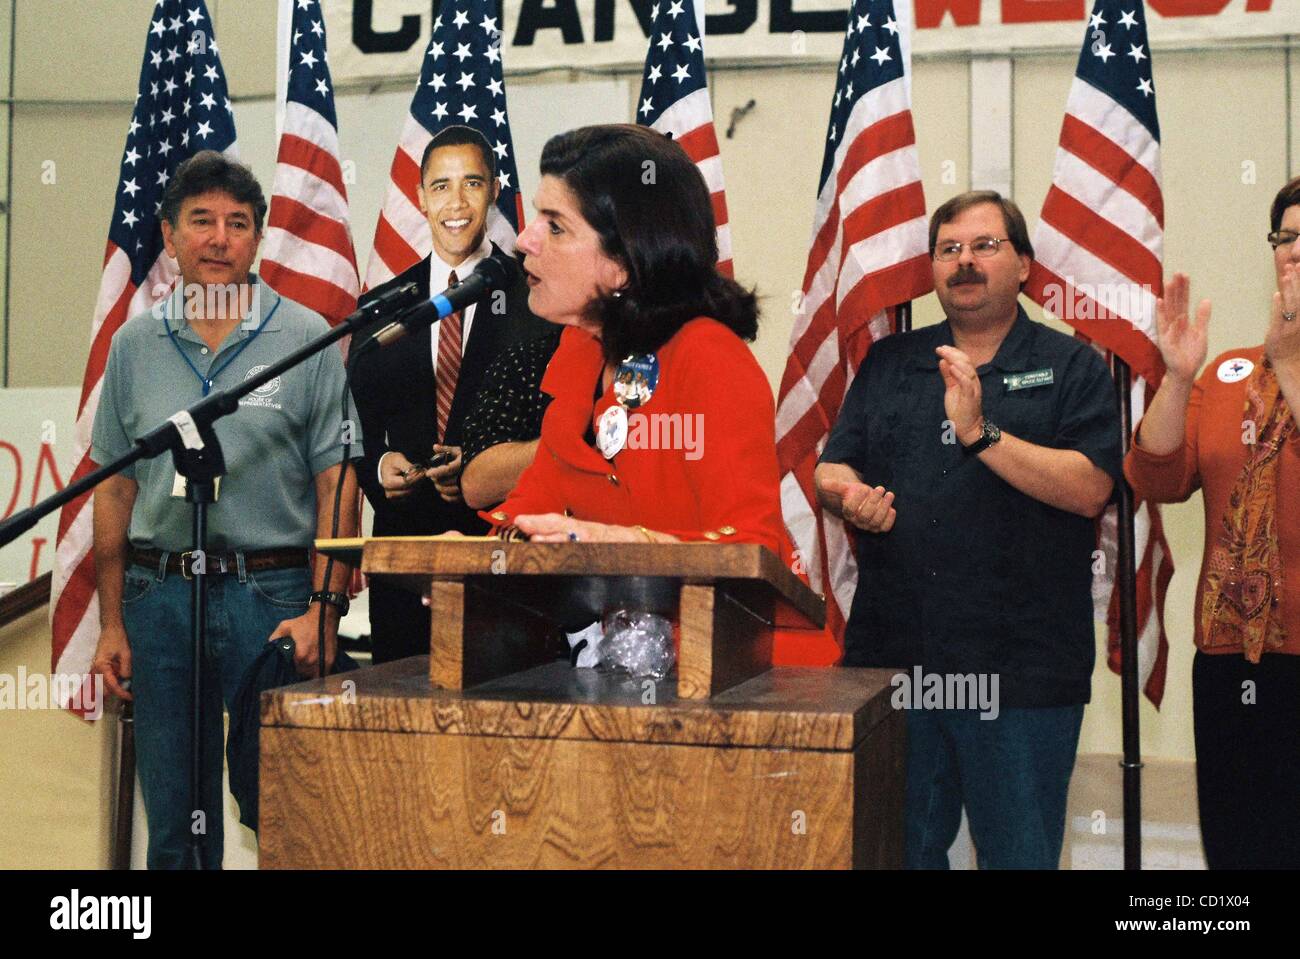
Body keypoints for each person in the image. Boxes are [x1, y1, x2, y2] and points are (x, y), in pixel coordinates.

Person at [814, 190, 1122, 869]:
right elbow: (831, 467)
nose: (965, 262)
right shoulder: (892, 362)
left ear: (1023, 266)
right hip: (898, 661)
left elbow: (1090, 487)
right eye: (949, 249)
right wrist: (850, 495)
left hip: (1021, 672)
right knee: (896, 852)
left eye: (985, 245)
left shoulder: (1073, 366)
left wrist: (980, 433)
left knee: (1018, 855)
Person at [88, 151, 360, 869]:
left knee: (286, 807)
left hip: (269, 597)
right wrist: (113, 620)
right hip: (158, 595)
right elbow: (113, 487)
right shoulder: (133, 346)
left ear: (258, 239)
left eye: (238, 224)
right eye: (201, 221)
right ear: (170, 235)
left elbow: (339, 480)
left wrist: (323, 611)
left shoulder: (306, 337)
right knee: (176, 825)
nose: (218, 238)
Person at [480, 124, 788, 556]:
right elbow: (533, 505)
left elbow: (755, 547)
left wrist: (622, 543)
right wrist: (476, 555)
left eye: (555, 227)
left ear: (623, 263)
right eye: (536, 218)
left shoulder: (708, 357)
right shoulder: (582, 349)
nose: (525, 240)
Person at [1124, 176, 1300, 869]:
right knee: (1242, 855)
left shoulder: (1277, 359)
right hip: (1236, 661)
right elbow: (1156, 476)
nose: (1293, 254)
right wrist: (1176, 376)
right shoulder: (1230, 371)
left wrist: (1288, 358)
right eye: (1285, 238)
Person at [350, 125, 547, 663]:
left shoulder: (536, 300)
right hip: (403, 556)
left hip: (501, 557)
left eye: (472, 184)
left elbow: (558, 428)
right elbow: (353, 424)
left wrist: (486, 469)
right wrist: (379, 464)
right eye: (440, 187)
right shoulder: (386, 305)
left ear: (495, 191)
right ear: (419, 197)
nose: (455, 203)